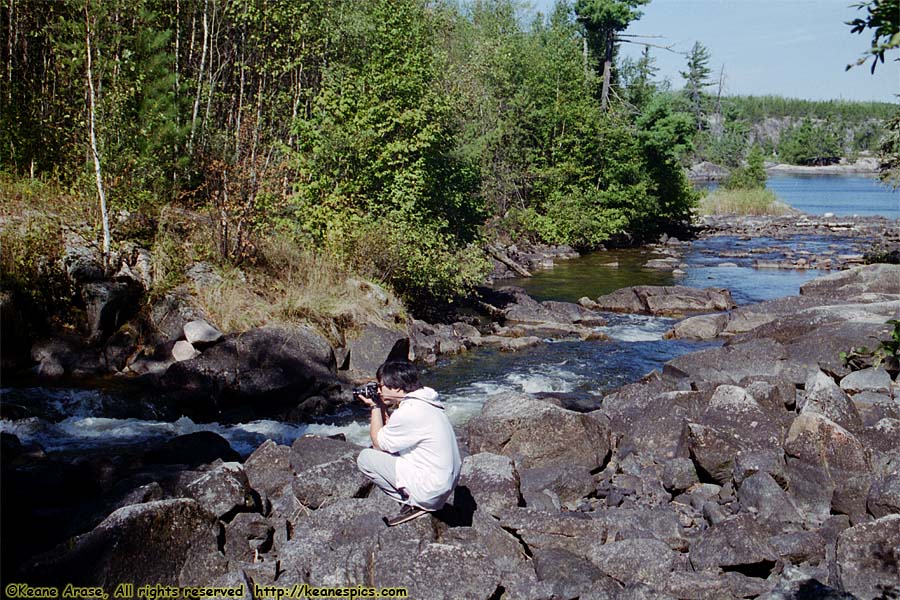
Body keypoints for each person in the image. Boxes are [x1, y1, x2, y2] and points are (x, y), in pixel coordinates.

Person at [355, 360, 461, 526]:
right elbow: (393, 433)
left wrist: (375, 407)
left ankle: (413, 502)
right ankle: (418, 499)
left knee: (365, 457)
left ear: (396, 387)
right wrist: (383, 406)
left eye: (381, 386)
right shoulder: (427, 403)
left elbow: (378, 443)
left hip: (430, 490)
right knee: (390, 451)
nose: (379, 391)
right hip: (442, 485)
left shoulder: (410, 411)